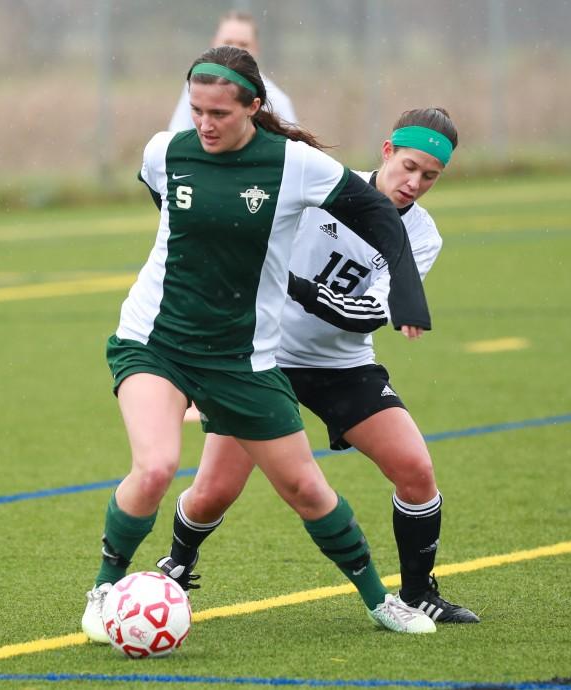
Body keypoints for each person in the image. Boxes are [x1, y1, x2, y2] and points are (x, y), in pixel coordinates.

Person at [82, 45, 439, 643]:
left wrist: (406, 294)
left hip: (241, 357)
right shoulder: (163, 152)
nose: (204, 123)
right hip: (153, 339)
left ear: (253, 106)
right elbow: (167, 203)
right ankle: (103, 588)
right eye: (196, 110)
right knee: (156, 468)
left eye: (219, 112)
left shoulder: (295, 165)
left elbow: (377, 214)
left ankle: (382, 601)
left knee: (305, 488)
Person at [158, 108, 480, 624]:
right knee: (214, 491)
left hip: (342, 366)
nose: (414, 184)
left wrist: (294, 285)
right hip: (263, 358)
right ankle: (175, 567)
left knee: (416, 469)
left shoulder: (421, 235)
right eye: (409, 167)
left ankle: (419, 593)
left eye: (430, 177)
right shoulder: (328, 188)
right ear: (387, 150)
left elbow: (368, 315)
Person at [169, 11, 297, 131]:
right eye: (228, 42)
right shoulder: (197, 87)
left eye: (243, 44)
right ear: (214, 43)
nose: (235, 50)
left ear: (257, 48)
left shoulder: (277, 101)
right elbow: (176, 134)